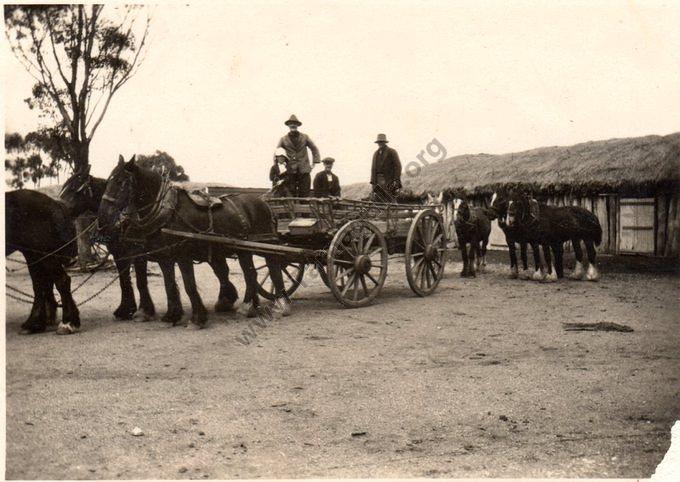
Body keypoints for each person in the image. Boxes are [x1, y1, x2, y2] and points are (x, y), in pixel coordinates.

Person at [276, 115, 320, 197]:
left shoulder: (305, 137)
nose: (293, 125)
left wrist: (314, 163)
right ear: (288, 125)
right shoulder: (283, 139)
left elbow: (314, 148)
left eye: (295, 123)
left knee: (304, 192)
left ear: (298, 125)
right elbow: (277, 152)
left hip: (304, 169)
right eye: (291, 124)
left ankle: (304, 209)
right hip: (290, 170)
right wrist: (278, 166)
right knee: (291, 192)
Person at [370, 133, 402, 201]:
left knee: (390, 198)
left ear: (385, 142)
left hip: (389, 180)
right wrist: (373, 182)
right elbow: (373, 169)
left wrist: (396, 180)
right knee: (379, 199)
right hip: (378, 180)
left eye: (381, 142)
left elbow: (398, 166)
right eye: (379, 142)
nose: (380, 144)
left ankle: (393, 211)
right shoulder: (375, 154)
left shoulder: (392, 152)